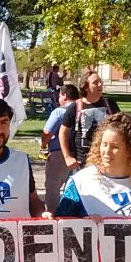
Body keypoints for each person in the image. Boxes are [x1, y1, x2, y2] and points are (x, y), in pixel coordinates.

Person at [54, 114, 131, 218]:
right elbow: (62, 222)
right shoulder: (81, 182)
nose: (107, 152)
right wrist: (84, 223)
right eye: (104, 144)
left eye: (115, 147)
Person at [59, 71, 121, 169]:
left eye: (100, 81)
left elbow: (121, 130)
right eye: (95, 82)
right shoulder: (75, 107)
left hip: (107, 161)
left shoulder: (109, 104)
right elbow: (63, 132)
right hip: (82, 163)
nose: (100, 84)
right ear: (86, 87)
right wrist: (67, 157)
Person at [42, 84, 79, 212]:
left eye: (59, 96)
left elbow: (47, 132)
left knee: (53, 187)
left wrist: (42, 144)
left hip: (59, 153)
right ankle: (70, 213)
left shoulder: (59, 111)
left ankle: (52, 216)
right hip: (78, 154)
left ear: (64, 95)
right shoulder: (82, 111)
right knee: (73, 187)